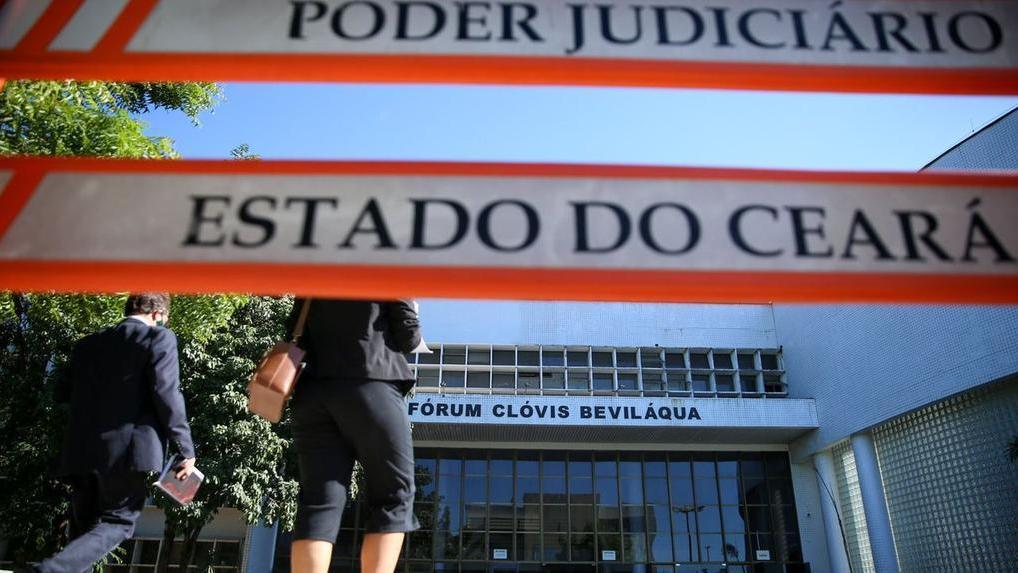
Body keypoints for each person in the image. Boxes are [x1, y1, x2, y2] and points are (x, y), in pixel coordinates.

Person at [35, 293, 197, 573]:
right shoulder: (158, 338)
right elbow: (166, 393)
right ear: (158, 314)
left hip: (80, 451)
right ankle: (49, 571)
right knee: (120, 521)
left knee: (84, 530)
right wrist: (186, 449)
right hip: (125, 451)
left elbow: (61, 392)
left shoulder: (87, 345)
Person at [288, 298, 422, 573]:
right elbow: (409, 338)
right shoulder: (388, 272)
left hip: (313, 392)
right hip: (371, 381)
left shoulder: (315, 271)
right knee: (394, 496)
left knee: (318, 502)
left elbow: (294, 328)